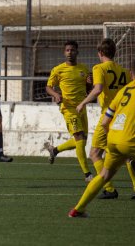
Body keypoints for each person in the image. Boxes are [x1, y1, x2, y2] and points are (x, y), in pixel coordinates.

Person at [69, 59, 135, 218]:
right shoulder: (113, 74)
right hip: (132, 140)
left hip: (113, 138)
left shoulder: (123, 91)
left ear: (132, 73)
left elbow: (106, 121)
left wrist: (113, 137)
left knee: (104, 175)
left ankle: (78, 209)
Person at [46, 40, 94, 182]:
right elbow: (48, 87)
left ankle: (54, 150)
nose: (69, 53)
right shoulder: (58, 69)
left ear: (77, 52)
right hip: (68, 109)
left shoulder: (84, 69)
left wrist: (89, 84)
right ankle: (87, 174)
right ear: (64, 52)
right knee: (79, 137)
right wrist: (56, 95)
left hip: (82, 108)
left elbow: (87, 90)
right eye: (67, 50)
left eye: (72, 50)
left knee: (82, 141)